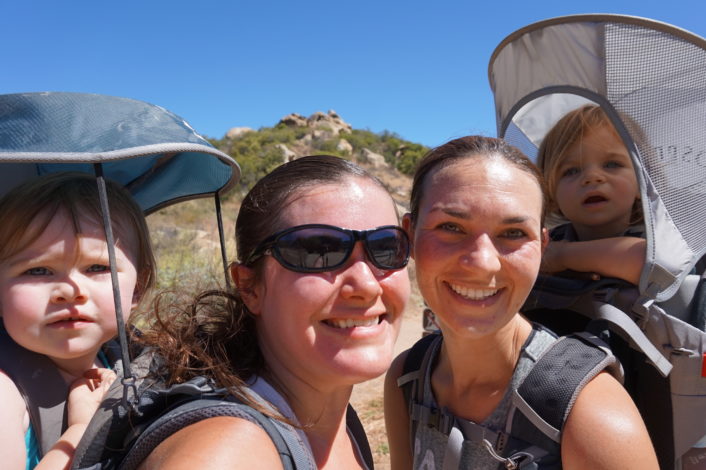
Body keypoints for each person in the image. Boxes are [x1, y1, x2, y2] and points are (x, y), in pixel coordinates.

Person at [384, 136, 658, 469]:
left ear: (542, 246)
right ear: (409, 235)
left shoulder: (591, 414)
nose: (483, 262)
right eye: (451, 226)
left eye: (513, 233)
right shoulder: (408, 378)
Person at [134, 155, 411, 469]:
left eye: (387, 247)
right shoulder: (226, 453)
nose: (366, 285)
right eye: (317, 252)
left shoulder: (338, 422)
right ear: (250, 287)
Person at [0, 172, 156, 470]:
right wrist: (82, 428)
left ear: (137, 289)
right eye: (38, 270)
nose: (71, 291)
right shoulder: (4, 392)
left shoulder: (129, 355)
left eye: (97, 267)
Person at [537, 104, 645, 285]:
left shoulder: (655, 239)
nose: (591, 177)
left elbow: (646, 261)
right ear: (551, 195)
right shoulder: (551, 239)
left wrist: (561, 256)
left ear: (642, 184)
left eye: (612, 164)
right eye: (571, 171)